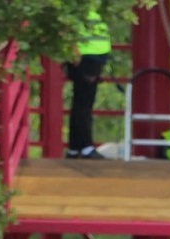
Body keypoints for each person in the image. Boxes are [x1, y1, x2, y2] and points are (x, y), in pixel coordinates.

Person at [64, 9, 111, 159]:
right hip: (86, 58)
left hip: (91, 57)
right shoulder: (77, 8)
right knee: (84, 105)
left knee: (80, 103)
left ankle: (75, 147)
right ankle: (85, 147)